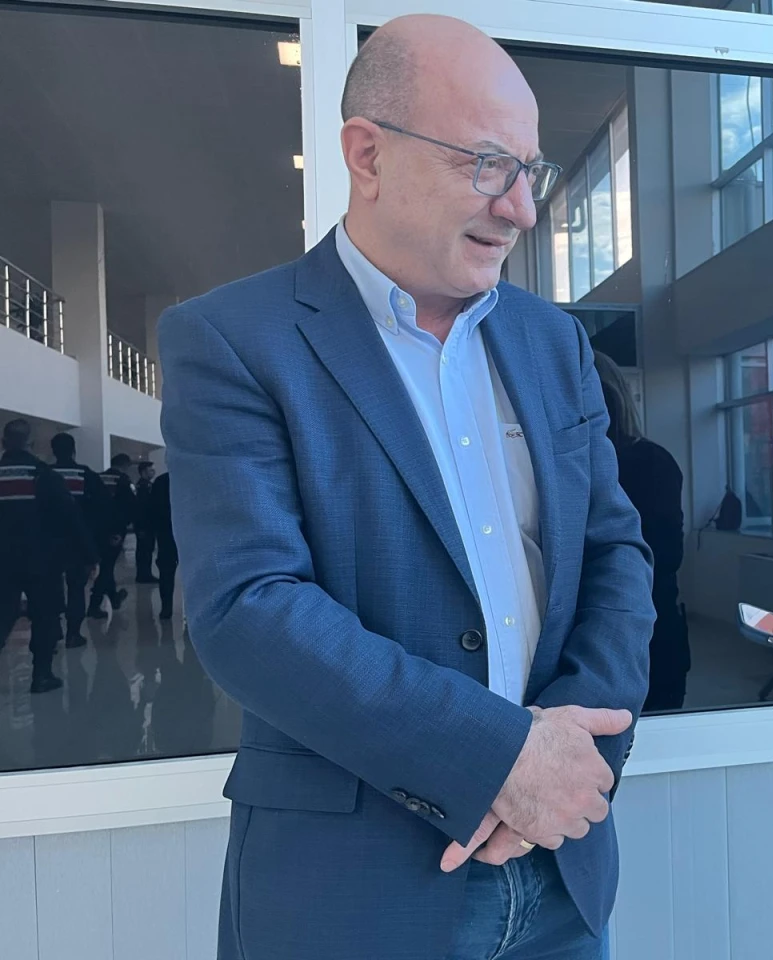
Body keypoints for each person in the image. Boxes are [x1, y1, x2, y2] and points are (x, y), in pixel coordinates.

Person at [157, 14, 654, 960]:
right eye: (488, 165)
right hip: (355, 892)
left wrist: (568, 759)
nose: (522, 209)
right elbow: (249, 609)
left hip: (560, 873)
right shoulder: (234, 340)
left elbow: (615, 556)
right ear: (367, 154)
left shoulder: (553, 343)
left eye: (531, 171)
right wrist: (498, 760)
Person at [593, 352, 690, 712]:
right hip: (611, 636)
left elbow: (665, 555)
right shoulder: (561, 466)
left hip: (648, 631)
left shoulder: (650, 462)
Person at [0, 420, 95, 692]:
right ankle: (41, 676)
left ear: (3, 443)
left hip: (3, 562)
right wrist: (89, 555)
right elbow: (70, 519)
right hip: (42, 561)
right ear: (31, 444)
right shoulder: (43, 476)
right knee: (45, 616)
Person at [49, 432, 109, 648]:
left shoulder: (44, 474)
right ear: (74, 450)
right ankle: (73, 634)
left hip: (49, 541)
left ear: (53, 451)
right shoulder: (85, 474)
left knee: (51, 587)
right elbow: (103, 507)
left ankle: (54, 629)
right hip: (78, 541)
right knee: (76, 588)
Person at [88, 452, 133, 618]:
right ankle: (94, 604)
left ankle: (114, 597)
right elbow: (127, 506)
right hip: (114, 530)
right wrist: (121, 529)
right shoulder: (122, 480)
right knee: (107, 568)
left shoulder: (97, 478)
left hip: (95, 529)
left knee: (106, 565)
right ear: (125, 465)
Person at [146, 470, 178, 620]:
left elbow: (152, 508)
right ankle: (193, 608)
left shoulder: (161, 481)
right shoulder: (192, 478)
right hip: (189, 533)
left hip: (166, 533)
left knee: (166, 571)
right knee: (192, 573)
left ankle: (166, 608)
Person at [133, 460, 158, 584]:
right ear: (143, 472)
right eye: (150, 470)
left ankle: (145, 573)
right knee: (144, 550)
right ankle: (144, 575)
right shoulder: (143, 487)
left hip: (147, 524)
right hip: (145, 524)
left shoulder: (145, 485)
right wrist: (141, 526)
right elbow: (142, 508)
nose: (153, 472)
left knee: (146, 549)